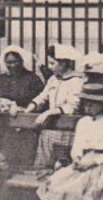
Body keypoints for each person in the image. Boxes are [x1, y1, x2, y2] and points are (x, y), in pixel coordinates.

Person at [23, 45, 84, 174]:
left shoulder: (77, 81)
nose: (50, 67)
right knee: (43, 168)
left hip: (66, 130)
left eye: (52, 63)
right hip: (49, 130)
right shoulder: (53, 80)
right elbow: (42, 97)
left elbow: (72, 106)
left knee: (62, 169)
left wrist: (49, 112)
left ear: (63, 63)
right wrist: (28, 109)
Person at [0, 45, 44, 111]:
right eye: (9, 62)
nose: (13, 65)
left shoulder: (33, 79)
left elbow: (40, 99)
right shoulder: (0, 79)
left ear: (22, 61)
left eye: (15, 61)